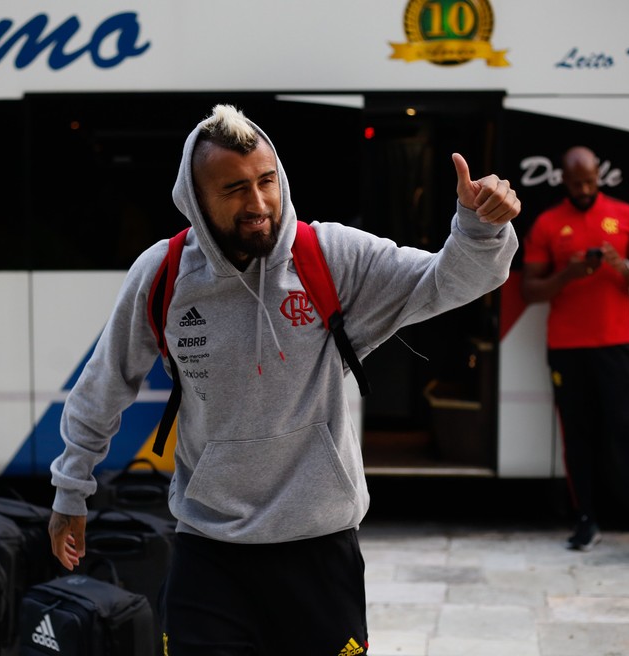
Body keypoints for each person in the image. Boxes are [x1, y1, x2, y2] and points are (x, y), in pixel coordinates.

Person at [48, 104, 521, 654]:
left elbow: (446, 280)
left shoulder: (330, 256)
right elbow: (104, 385)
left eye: (266, 181)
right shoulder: (165, 275)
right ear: (195, 200)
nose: (257, 203)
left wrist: (480, 227)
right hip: (209, 549)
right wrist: (71, 491)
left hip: (319, 549)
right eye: (234, 189)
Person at [520, 145, 629, 568]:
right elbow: (530, 290)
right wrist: (569, 274)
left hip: (616, 344)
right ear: (564, 181)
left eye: (590, 181)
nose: (584, 189)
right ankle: (586, 520)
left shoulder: (624, 215)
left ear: (599, 175)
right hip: (567, 348)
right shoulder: (548, 223)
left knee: (627, 433)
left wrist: (620, 266)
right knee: (577, 435)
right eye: (576, 183)